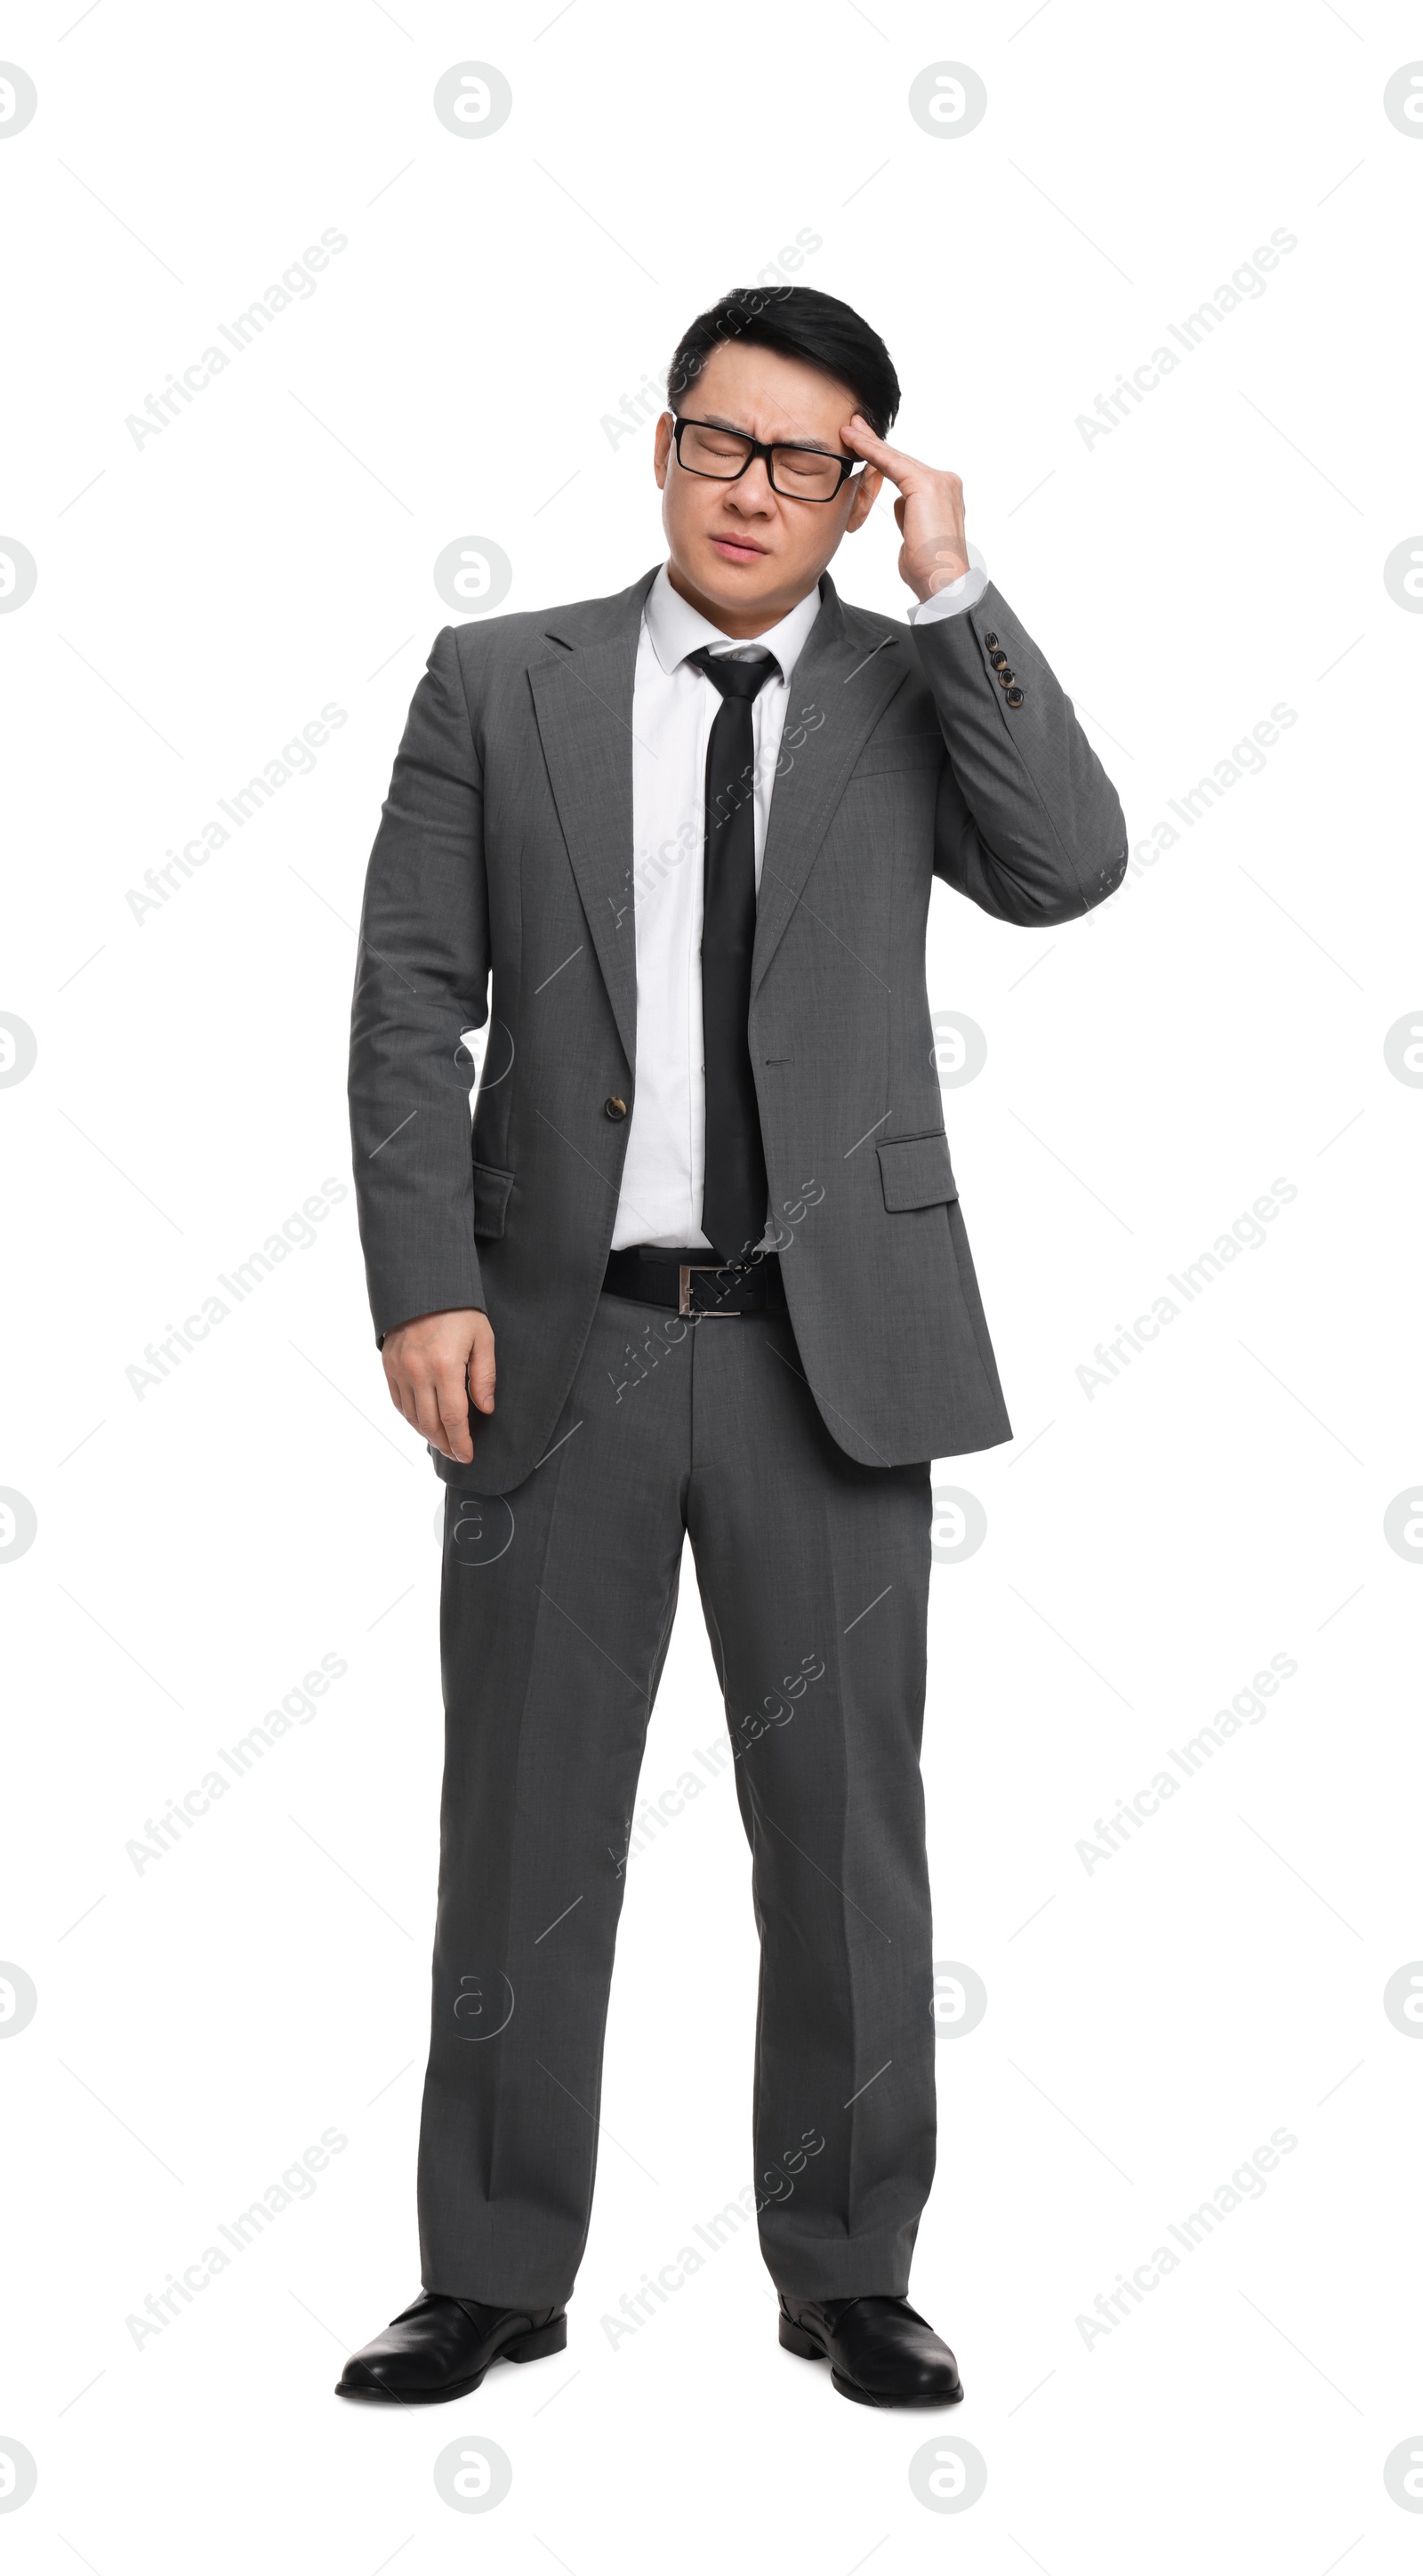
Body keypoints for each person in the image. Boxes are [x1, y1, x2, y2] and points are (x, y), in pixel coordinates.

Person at [339, 285, 1126, 2411]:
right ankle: (488, 2267)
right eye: (719, 439)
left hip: (827, 1353)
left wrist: (951, 582)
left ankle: (847, 2263)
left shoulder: (900, 688)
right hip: (553, 1344)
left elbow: (1066, 865)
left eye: (807, 456)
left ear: (859, 475)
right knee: (518, 1821)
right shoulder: (500, 680)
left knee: (845, 1833)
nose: (751, 488)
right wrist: (423, 1275)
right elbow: (413, 987)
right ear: (660, 440)